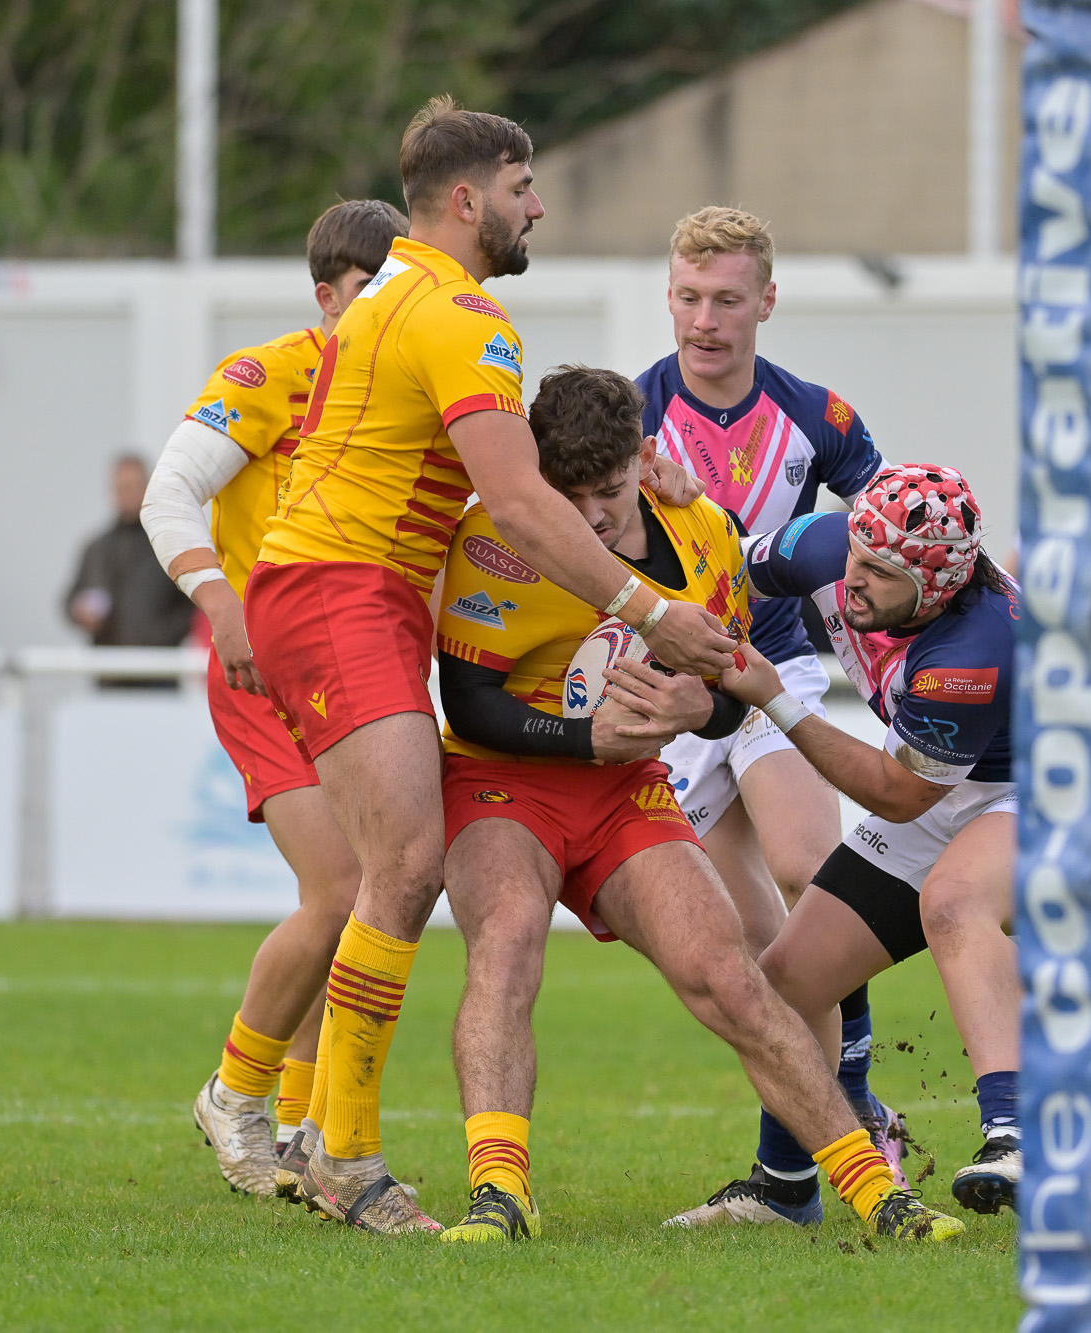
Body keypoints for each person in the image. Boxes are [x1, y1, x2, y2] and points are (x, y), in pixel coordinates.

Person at [243, 97, 733, 1233]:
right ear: (468, 200)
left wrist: (639, 467)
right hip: (343, 588)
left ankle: (312, 1129)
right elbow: (515, 500)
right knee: (405, 865)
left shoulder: (389, 295)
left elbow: (492, 473)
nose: (537, 207)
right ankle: (340, 1153)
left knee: (391, 870)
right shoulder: (464, 314)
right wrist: (648, 609)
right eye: (522, 187)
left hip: (336, 588)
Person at [432, 365, 963, 1245]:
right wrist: (586, 739)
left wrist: (697, 708)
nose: (590, 518)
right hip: (502, 778)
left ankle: (879, 1194)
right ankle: (499, 1192)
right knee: (509, 935)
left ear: (644, 460)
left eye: (608, 492)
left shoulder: (704, 529)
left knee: (729, 974)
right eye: (568, 496)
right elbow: (469, 702)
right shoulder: (495, 535)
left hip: (624, 789)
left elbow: (722, 696)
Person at [665, 465, 1023, 1226]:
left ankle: (1014, 1135)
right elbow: (721, 565)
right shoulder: (831, 544)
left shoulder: (974, 648)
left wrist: (773, 699)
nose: (853, 580)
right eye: (857, 557)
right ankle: (786, 1186)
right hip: (940, 784)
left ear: (938, 589)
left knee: (953, 903)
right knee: (785, 983)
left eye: (881, 575)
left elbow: (895, 793)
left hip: (1050, 792)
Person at [140, 199, 408, 1198]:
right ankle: (237, 1092)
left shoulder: (405, 388)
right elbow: (168, 494)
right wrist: (223, 605)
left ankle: (299, 1123)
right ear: (326, 295)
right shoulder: (265, 376)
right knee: (344, 888)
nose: (383, 313)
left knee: (357, 898)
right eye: (367, 294)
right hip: (264, 667)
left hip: (359, 667)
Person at [634, 205, 902, 1166]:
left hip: (769, 669)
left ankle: (857, 1099)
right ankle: (805, 1163)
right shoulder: (629, 416)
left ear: (767, 301)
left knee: (812, 867)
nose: (705, 320)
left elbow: (891, 530)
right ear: (669, 297)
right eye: (689, 298)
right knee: (757, 950)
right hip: (671, 694)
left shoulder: (819, 417)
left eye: (727, 300)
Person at [65, 455, 196, 648]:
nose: (129, 494)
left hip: (159, 660)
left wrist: (162, 636)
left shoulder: (168, 544)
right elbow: (71, 599)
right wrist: (81, 613)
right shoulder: (96, 548)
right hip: (108, 659)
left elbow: (192, 603)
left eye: (135, 486)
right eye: (123, 487)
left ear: (148, 488)